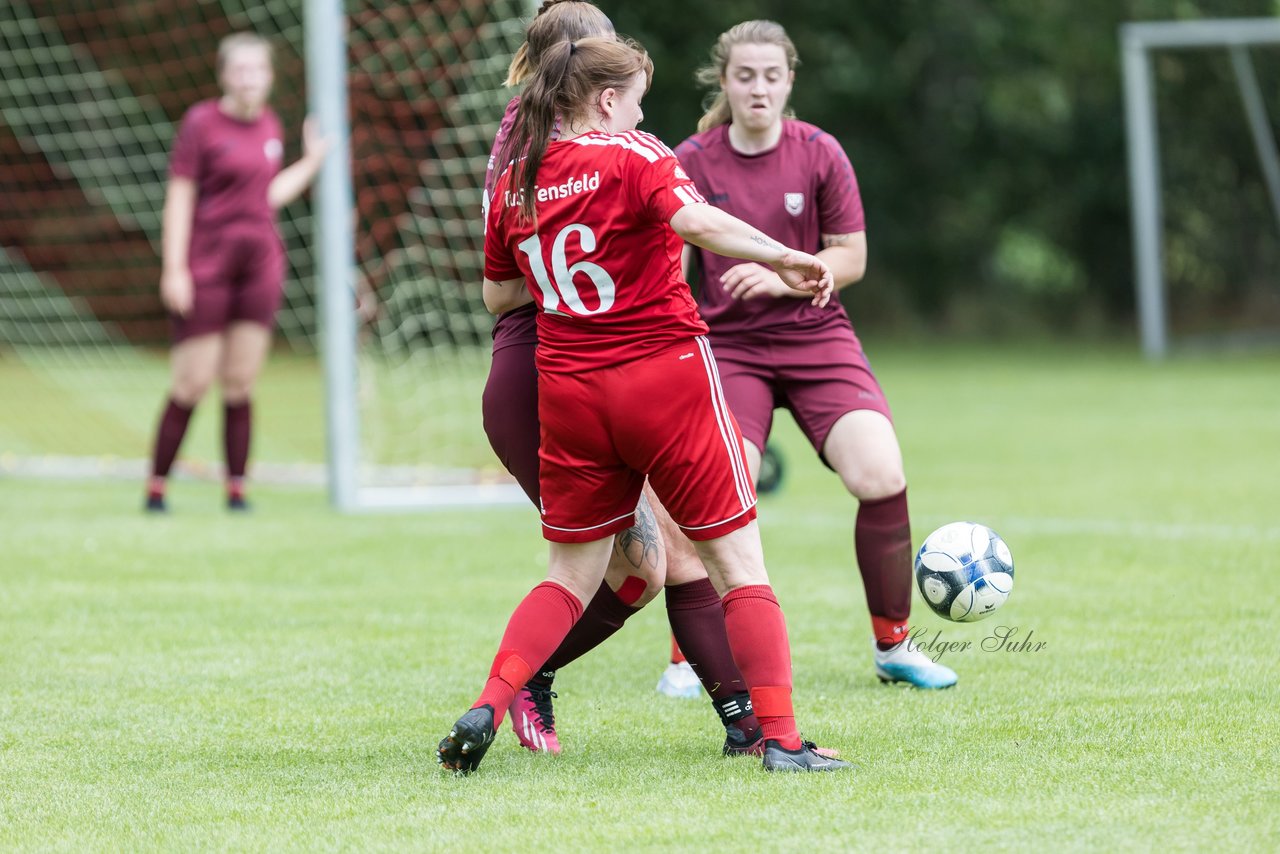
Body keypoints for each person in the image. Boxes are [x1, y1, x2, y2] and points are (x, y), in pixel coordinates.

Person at [439, 35, 848, 775]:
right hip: (664, 378)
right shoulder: (636, 154)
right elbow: (697, 224)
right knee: (737, 562)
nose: (641, 113)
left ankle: (489, 703)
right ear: (605, 101)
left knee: (568, 576)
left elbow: (500, 294)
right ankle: (782, 741)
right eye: (635, 100)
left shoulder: (513, 184)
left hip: (569, 389)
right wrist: (782, 255)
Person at [480, 0, 769, 758]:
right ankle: (751, 724)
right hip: (559, 370)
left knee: (653, 563)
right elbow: (512, 287)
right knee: (656, 561)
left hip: (581, 367)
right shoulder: (555, 145)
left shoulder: (558, 139)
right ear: (582, 71)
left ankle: (740, 720)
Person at [674, 20, 956, 688]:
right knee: (719, 490)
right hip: (730, 346)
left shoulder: (820, 152)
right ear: (725, 80)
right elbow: (671, 265)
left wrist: (778, 275)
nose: (758, 88)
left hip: (816, 336)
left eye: (772, 75)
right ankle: (690, 659)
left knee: (881, 474)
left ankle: (894, 647)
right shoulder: (692, 159)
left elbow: (851, 257)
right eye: (745, 76)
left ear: (790, 80)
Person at [144, 32, 328, 512]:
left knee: (241, 381)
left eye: (258, 69)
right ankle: (157, 487)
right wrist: (175, 268)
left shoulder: (270, 124)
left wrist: (311, 163)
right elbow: (180, 197)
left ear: (269, 76)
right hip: (206, 263)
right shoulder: (201, 122)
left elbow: (265, 193)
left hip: (260, 264)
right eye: (240, 69)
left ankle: (236, 490)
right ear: (224, 74)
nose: (249, 78)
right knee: (192, 382)